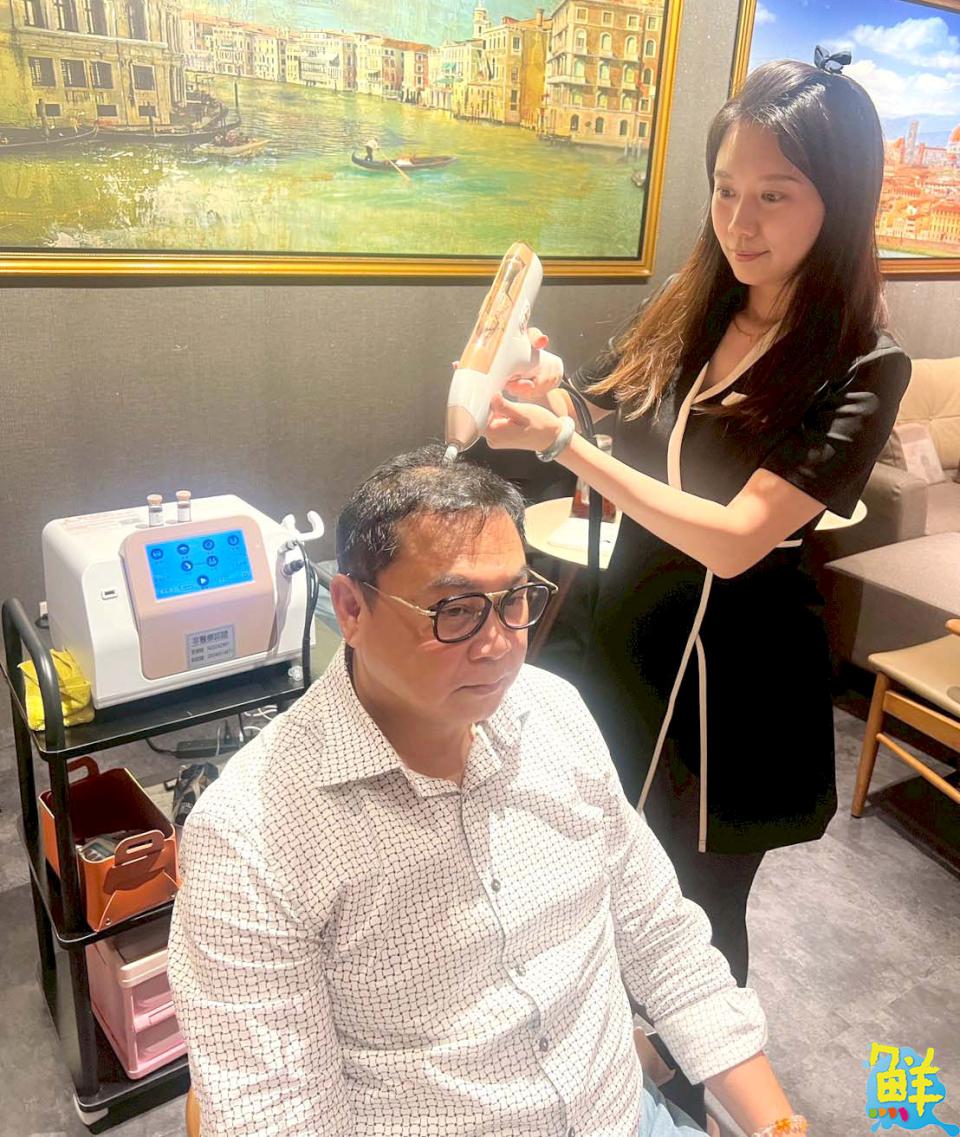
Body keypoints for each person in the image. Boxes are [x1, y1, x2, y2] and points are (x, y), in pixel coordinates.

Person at [482, 55, 911, 1120]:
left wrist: (568, 447)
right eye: (725, 188)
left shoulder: (861, 364)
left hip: (740, 687)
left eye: (775, 195)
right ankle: (602, 1048)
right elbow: (617, 424)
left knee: (700, 909)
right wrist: (554, 400)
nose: (739, 221)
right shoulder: (697, 304)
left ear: (838, 201)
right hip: (627, 639)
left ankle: (686, 1087)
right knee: (600, 866)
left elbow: (736, 539)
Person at [168, 445, 807, 1137]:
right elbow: (279, 1116)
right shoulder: (252, 833)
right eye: (456, 610)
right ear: (351, 607)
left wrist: (777, 1124)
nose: (500, 645)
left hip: (624, 1114)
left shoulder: (554, 713)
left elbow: (662, 938)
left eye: (515, 600)